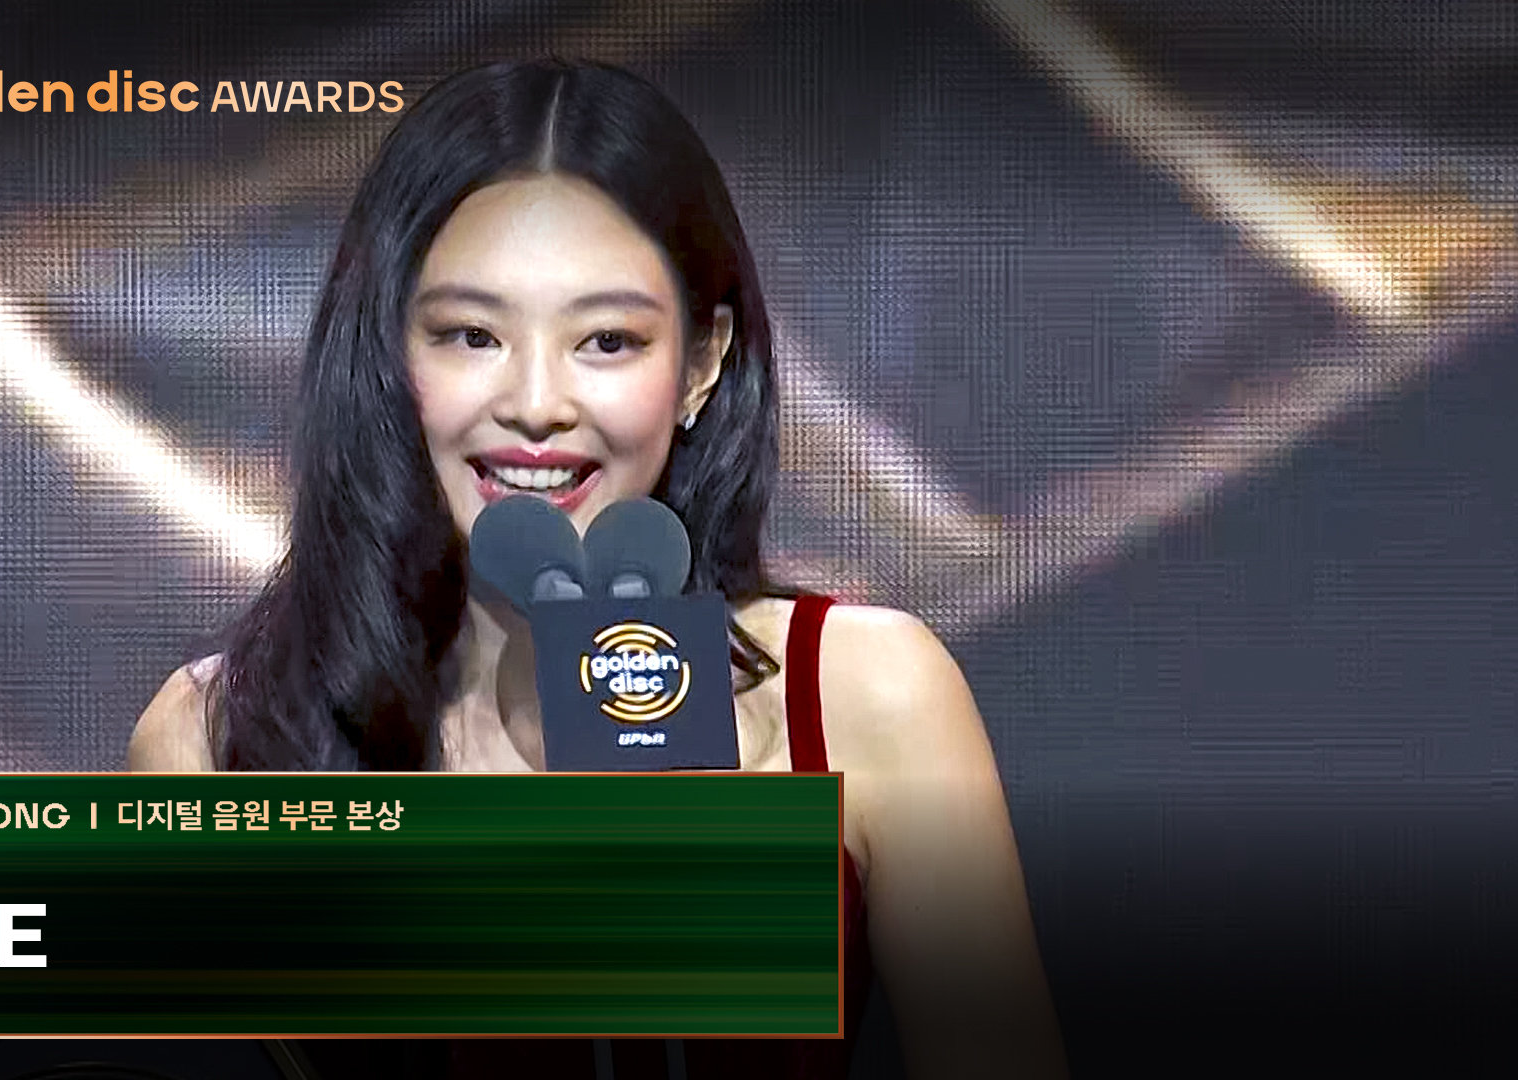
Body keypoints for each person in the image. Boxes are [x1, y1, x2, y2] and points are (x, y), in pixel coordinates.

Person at [129, 58, 1068, 1079]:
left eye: (608, 340)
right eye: (472, 335)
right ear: (392, 354)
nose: (538, 404)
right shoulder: (215, 740)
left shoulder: (861, 692)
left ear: (702, 362)